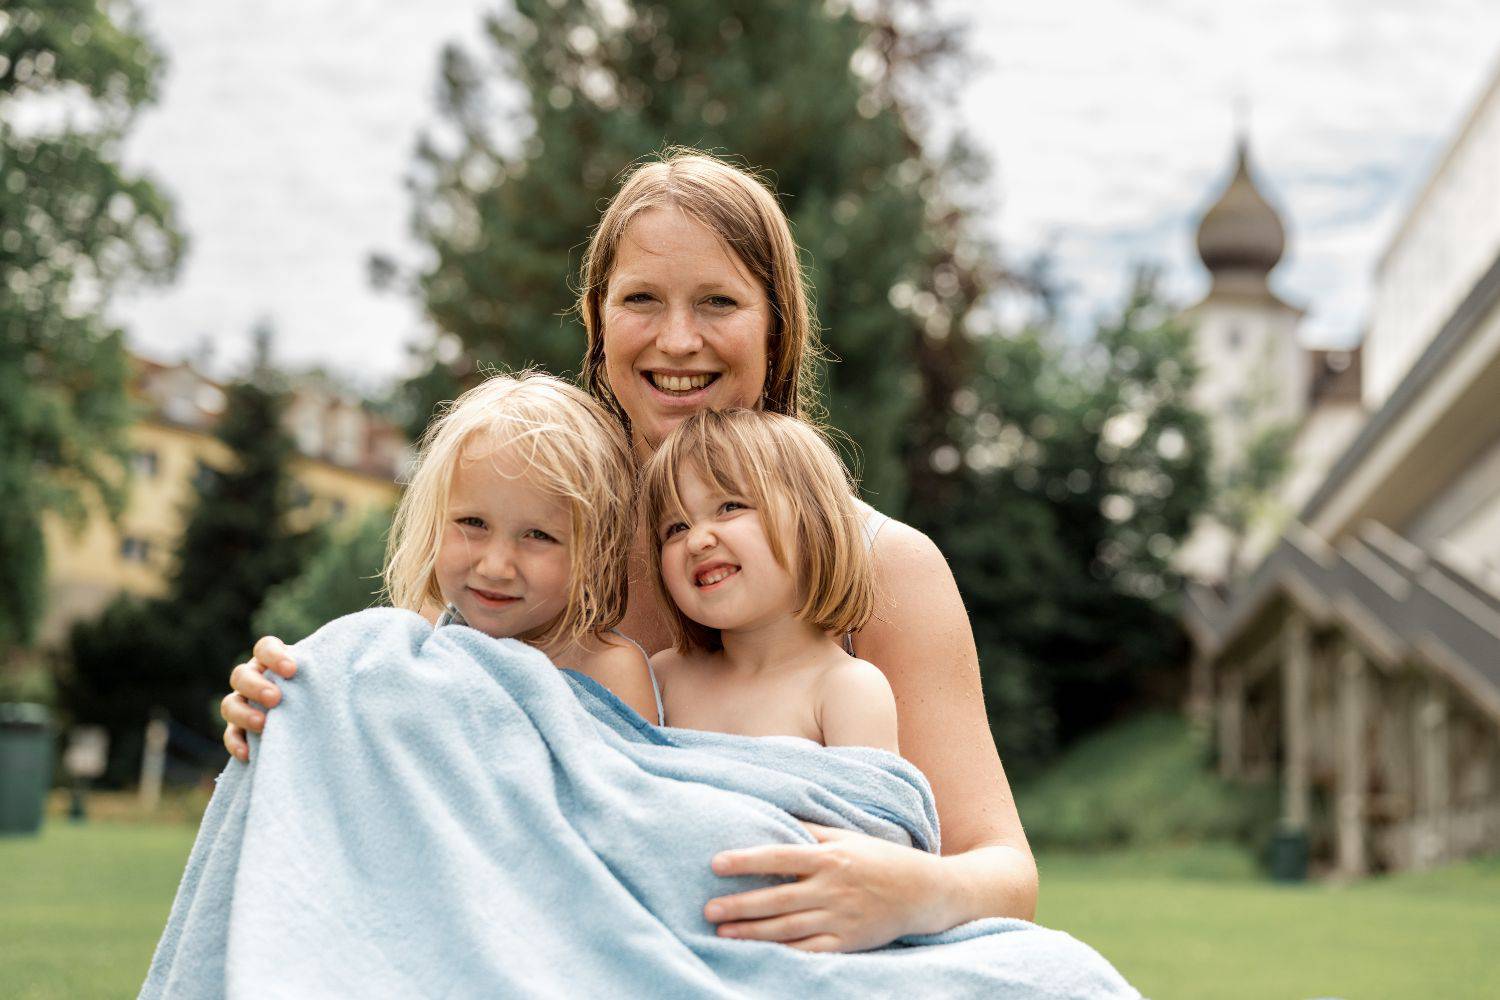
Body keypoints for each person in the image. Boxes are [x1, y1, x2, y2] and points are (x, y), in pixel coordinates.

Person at [221, 149, 1039, 953]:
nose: (678, 340)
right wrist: (302, 702)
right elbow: (422, 734)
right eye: (641, 299)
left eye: (718, 301)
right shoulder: (538, 542)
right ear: (598, 322)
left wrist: (908, 891)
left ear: (777, 326)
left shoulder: (885, 566)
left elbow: (1004, 870)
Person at [381, 370, 661, 721]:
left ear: (595, 551)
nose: (495, 567)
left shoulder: (611, 671)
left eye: (538, 535)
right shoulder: (424, 631)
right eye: (473, 523)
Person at [643, 408, 897, 753]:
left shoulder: (846, 688)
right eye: (676, 527)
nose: (696, 540)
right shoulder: (664, 677)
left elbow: (873, 806)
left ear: (813, 524)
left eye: (730, 507)